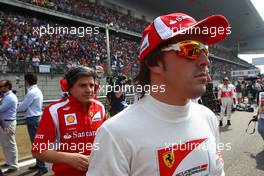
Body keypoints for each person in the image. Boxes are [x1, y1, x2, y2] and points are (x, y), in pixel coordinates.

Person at [87, 12, 229, 176]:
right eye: (191, 49)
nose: (206, 61)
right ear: (155, 63)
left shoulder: (208, 117)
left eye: (206, 50)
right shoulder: (114, 135)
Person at [32, 66, 107, 176]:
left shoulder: (100, 107)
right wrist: (68, 158)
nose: (89, 90)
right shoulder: (54, 111)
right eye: (82, 85)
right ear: (69, 87)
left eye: (92, 85)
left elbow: (106, 140)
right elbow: (38, 151)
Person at [17, 73, 48, 175]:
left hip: (32, 118)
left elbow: (23, 107)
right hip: (35, 118)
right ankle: (39, 163)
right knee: (36, 142)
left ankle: (42, 166)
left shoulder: (31, 92)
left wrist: (16, 106)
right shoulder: (36, 90)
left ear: (27, 81)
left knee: (36, 143)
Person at [0, 80, 19, 174]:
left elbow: (1, 109)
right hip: (4, 122)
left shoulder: (10, 97)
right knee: (5, 144)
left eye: (1, 86)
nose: (0, 88)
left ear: (7, 87)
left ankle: (13, 165)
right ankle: (9, 162)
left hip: (8, 123)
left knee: (10, 144)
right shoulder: (5, 96)